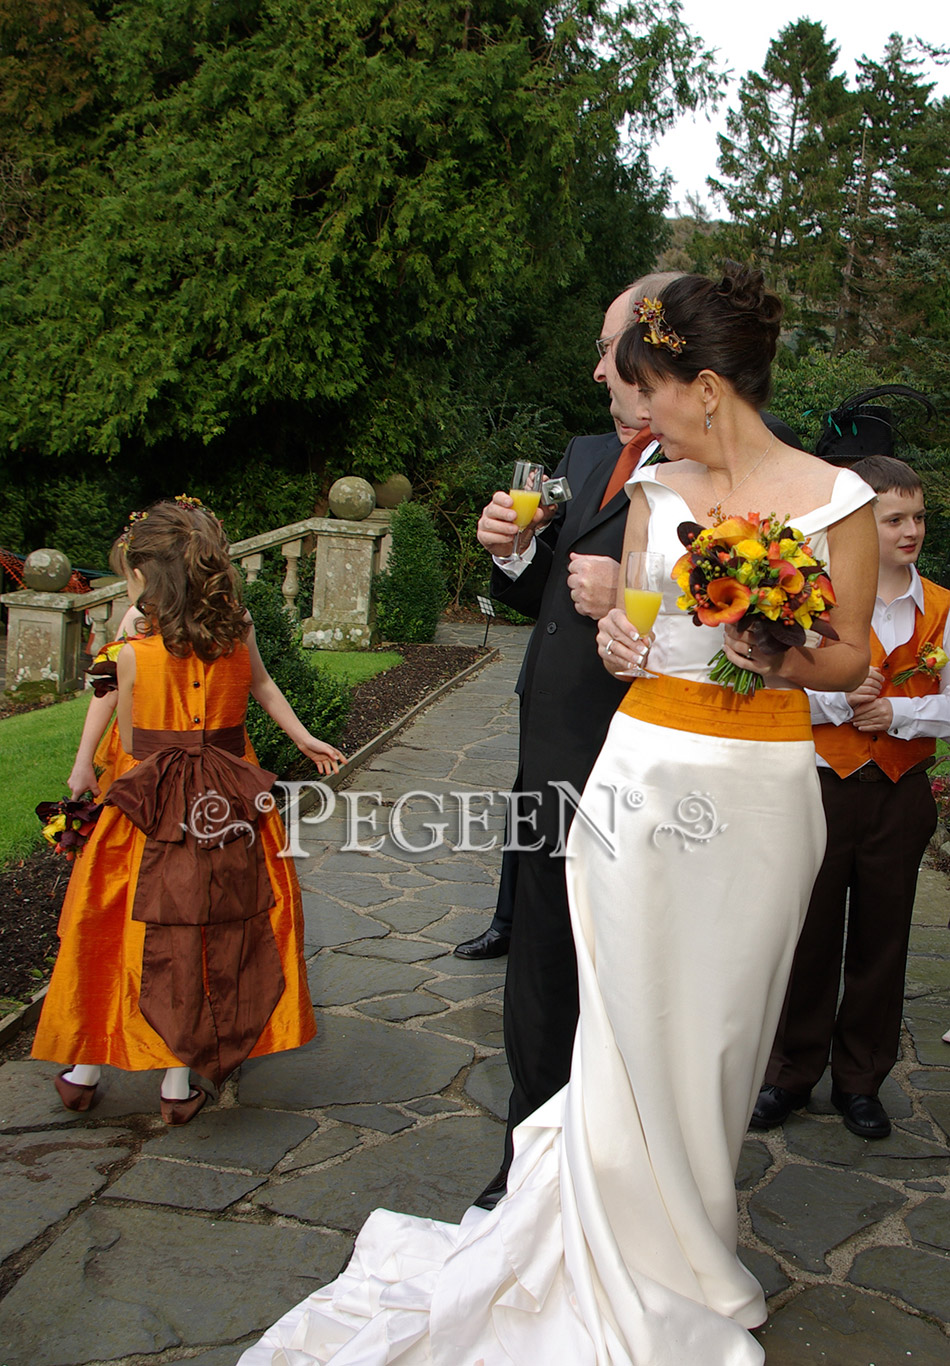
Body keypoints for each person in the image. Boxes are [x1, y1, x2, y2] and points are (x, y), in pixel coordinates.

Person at [239, 265, 877, 1364]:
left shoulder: (837, 503)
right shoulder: (658, 490)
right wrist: (627, 645)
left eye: (647, 383)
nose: (632, 402)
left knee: (719, 1033)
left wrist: (776, 648)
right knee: (622, 1020)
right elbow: (627, 633)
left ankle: (684, 1244)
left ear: (706, 387)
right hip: (640, 772)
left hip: (761, 793)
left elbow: (851, 655)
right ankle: (605, 1242)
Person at [463, 274, 679, 1206]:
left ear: (659, 354)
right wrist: (512, 552)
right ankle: (527, 1168)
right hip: (551, 751)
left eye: (608, 350)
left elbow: (752, 637)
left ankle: (619, 1179)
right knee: (542, 970)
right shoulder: (587, 451)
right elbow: (544, 595)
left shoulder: (733, 475)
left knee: (629, 978)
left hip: (650, 764)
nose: (596, 371)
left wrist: (636, 602)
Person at [32, 498, 344, 1125]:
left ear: (150, 576)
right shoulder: (238, 626)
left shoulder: (132, 639)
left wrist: (83, 763)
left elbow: (123, 718)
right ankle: (178, 1084)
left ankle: (86, 1068)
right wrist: (302, 735)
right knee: (210, 926)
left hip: (146, 804)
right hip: (227, 803)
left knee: (118, 924)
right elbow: (260, 684)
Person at [753, 455, 950, 1139]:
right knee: (806, 936)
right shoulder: (807, 601)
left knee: (882, 940)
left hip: (900, 795)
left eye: (918, 516)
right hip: (821, 786)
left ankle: (861, 1080)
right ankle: (788, 1073)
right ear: (858, 524)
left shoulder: (944, 607)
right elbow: (769, 690)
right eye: (893, 517)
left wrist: (899, 716)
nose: (910, 530)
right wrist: (838, 702)